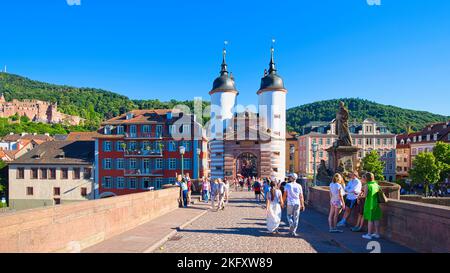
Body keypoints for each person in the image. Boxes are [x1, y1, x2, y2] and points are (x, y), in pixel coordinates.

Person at [362, 172, 382, 240]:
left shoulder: (367, 185)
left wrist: (359, 196)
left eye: (364, 177)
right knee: (376, 219)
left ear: (366, 178)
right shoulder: (376, 184)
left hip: (370, 203)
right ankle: (377, 233)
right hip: (376, 203)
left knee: (370, 220)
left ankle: (369, 234)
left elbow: (365, 195)